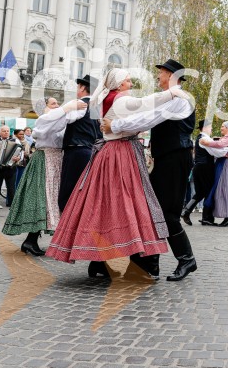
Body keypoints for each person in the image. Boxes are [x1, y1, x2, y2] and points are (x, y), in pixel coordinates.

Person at [49, 68, 186, 279]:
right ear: (120, 84)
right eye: (128, 81)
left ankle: (99, 263)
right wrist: (171, 93)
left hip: (107, 153)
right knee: (131, 204)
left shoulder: (105, 98)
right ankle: (142, 264)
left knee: (103, 206)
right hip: (121, 153)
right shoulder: (120, 100)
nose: (131, 84)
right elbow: (146, 103)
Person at [104, 59, 199, 281]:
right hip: (167, 158)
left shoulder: (178, 99)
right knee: (148, 208)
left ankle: (186, 259)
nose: (158, 76)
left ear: (172, 76)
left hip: (176, 158)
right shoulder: (169, 97)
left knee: (167, 213)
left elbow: (149, 119)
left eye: (162, 72)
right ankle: (148, 265)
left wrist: (115, 126)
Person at [3, 97, 84, 256]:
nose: (57, 106)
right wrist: (68, 107)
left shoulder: (56, 119)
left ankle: (33, 240)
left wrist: (85, 105)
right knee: (44, 199)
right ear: (44, 107)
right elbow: (53, 122)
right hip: (45, 160)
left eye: (57, 104)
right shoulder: (44, 119)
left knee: (52, 200)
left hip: (56, 161)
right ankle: (31, 240)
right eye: (53, 104)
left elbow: (68, 120)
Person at [58, 74, 101, 213]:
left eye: (79, 86)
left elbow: (63, 121)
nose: (77, 89)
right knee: (82, 190)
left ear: (83, 88)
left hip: (76, 151)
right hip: (89, 151)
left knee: (67, 190)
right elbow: (99, 134)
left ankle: (66, 226)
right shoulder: (95, 108)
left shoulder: (79, 104)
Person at [182, 119, 224, 226]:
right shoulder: (204, 138)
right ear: (205, 128)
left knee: (200, 192)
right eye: (210, 127)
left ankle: (186, 211)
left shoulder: (200, 138)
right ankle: (206, 218)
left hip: (198, 167)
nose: (211, 129)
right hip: (205, 167)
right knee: (209, 192)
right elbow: (215, 152)